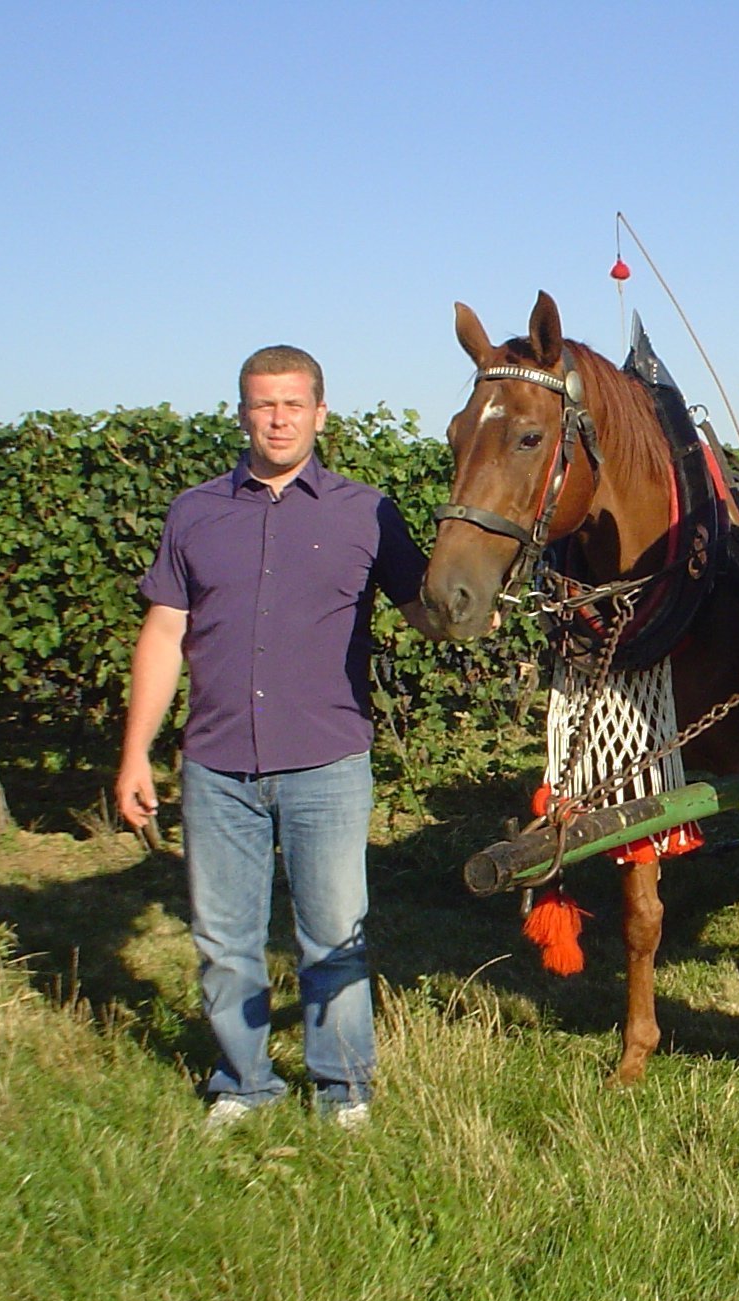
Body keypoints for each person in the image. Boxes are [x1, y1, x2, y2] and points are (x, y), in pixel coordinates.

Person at [115, 345, 435, 1133]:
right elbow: (163, 633)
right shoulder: (195, 511)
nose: (279, 418)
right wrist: (134, 753)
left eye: (294, 403)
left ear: (321, 414)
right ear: (242, 413)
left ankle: (342, 1088)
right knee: (225, 941)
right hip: (217, 764)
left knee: (332, 937)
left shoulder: (368, 511)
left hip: (327, 760)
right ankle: (244, 1084)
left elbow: (425, 607)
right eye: (263, 404)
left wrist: (472, 612)